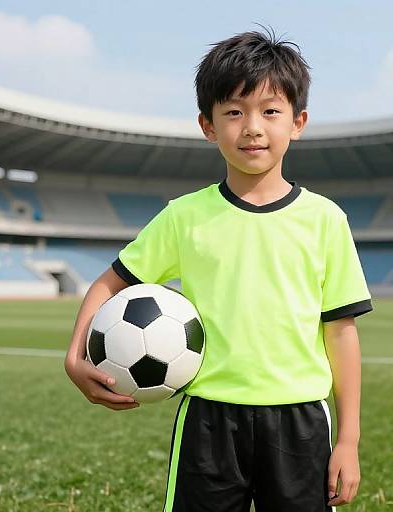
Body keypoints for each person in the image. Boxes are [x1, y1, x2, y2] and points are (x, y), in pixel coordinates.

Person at [65, 24, 373, 512]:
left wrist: (350, 441)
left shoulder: (325, 220)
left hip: (300, 421)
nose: (252, 127)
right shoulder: (183, 217)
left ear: (298, 121)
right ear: (208, 125)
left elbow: (341, 333)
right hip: (207, 418)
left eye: (271, 111)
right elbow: (109, 284)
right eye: (233, 112)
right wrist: (74, 355)